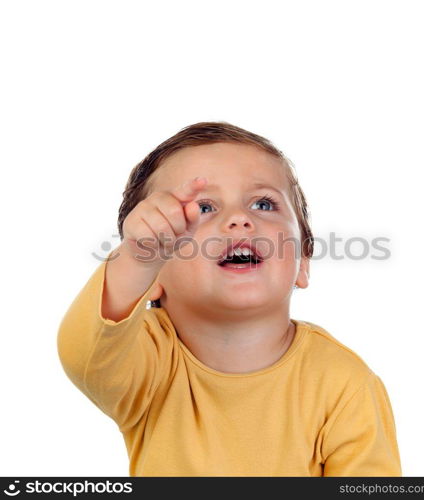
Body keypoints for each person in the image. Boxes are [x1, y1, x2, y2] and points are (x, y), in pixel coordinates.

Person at [57, 121, 402, 477]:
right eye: (203, 209)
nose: (239, 219)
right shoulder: (150, 363)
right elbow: (86, 354)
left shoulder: (343, 382)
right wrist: (135, 258)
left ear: (303, 262)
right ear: (154, 275)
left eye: (264, 204)